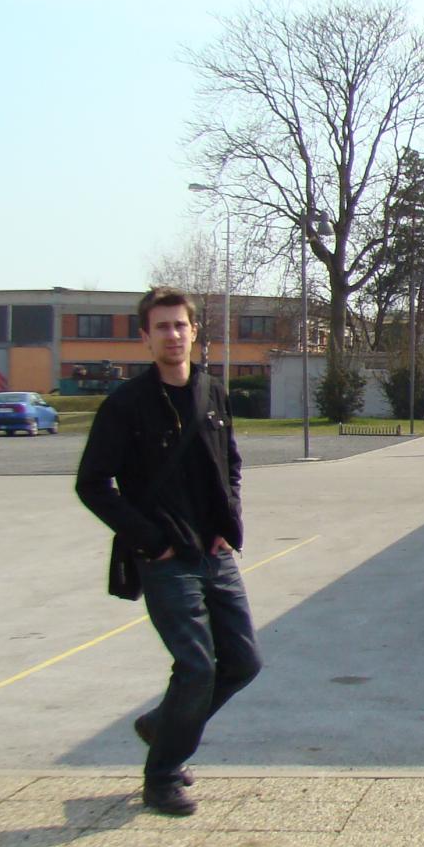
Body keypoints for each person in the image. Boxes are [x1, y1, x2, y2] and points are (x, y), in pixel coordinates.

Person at [76, 287, 261, 817]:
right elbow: (92, 484)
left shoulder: (213, 392)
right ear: (145, 337)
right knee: (197, 667)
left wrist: (229, 523)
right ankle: (161, 776)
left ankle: (163, 726)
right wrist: (150, 541)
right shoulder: (126, 405)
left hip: (215, 553)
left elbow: (230, 463)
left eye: (180, 325)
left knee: (243, 662)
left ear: (194, 331)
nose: (173, 335)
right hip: (165, 558)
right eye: (162, 327)